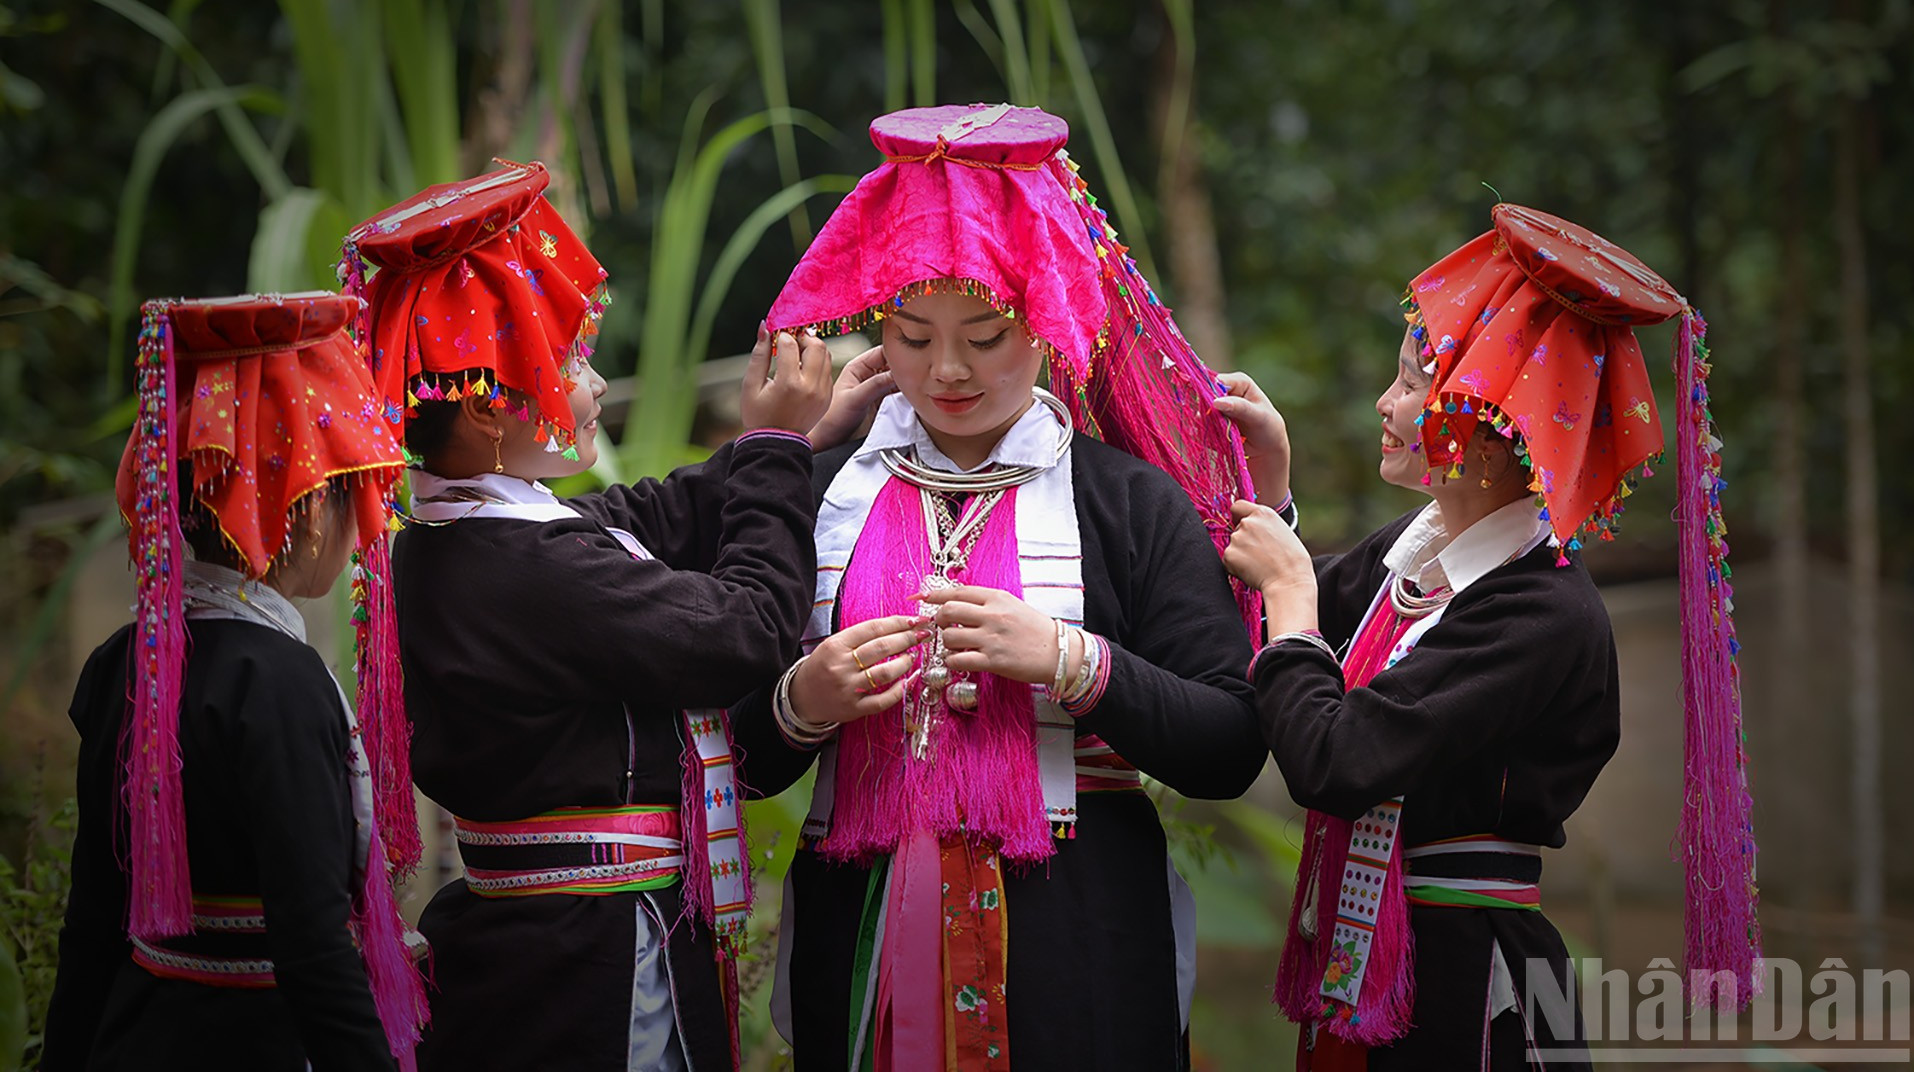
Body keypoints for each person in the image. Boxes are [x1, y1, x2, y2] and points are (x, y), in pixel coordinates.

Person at [744, 103, 1268, 1071]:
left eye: (986, 335)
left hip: (1081, 940)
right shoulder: (819, 496)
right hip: (857, 929)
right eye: (912, 335)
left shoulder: (1127, 503)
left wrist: (1073, 662)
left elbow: (1232, 744)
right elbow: (735, 755)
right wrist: (800, 702)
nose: (946, 370)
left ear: (1047, 317)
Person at [1216, 203, 1758, 1070]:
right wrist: (1272, 489)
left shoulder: (1540, 613)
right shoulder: (1420, 552)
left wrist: (1285, 584)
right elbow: (1293, 630)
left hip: (1467, 989)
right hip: (1387, 962)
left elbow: (1336, 758)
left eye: (1410, 384)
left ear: (1494, 430)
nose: (1385, 403)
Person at [344, 159, 836, 1071]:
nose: (598, 381)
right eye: (570, 360)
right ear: (489, 411)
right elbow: (748, 629)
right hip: (596, 966)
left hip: (539, 947)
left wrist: (805, 435)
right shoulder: (531, 572)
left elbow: (648, 517)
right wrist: (773, 447)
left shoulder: (456, 538)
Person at [42, 292, 425, 1071]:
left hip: (138, 1037)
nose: (364, 525)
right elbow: (313, 944)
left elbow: (92, 919)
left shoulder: (125, 661)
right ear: (309, 511)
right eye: (354, 492)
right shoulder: (280, 683)